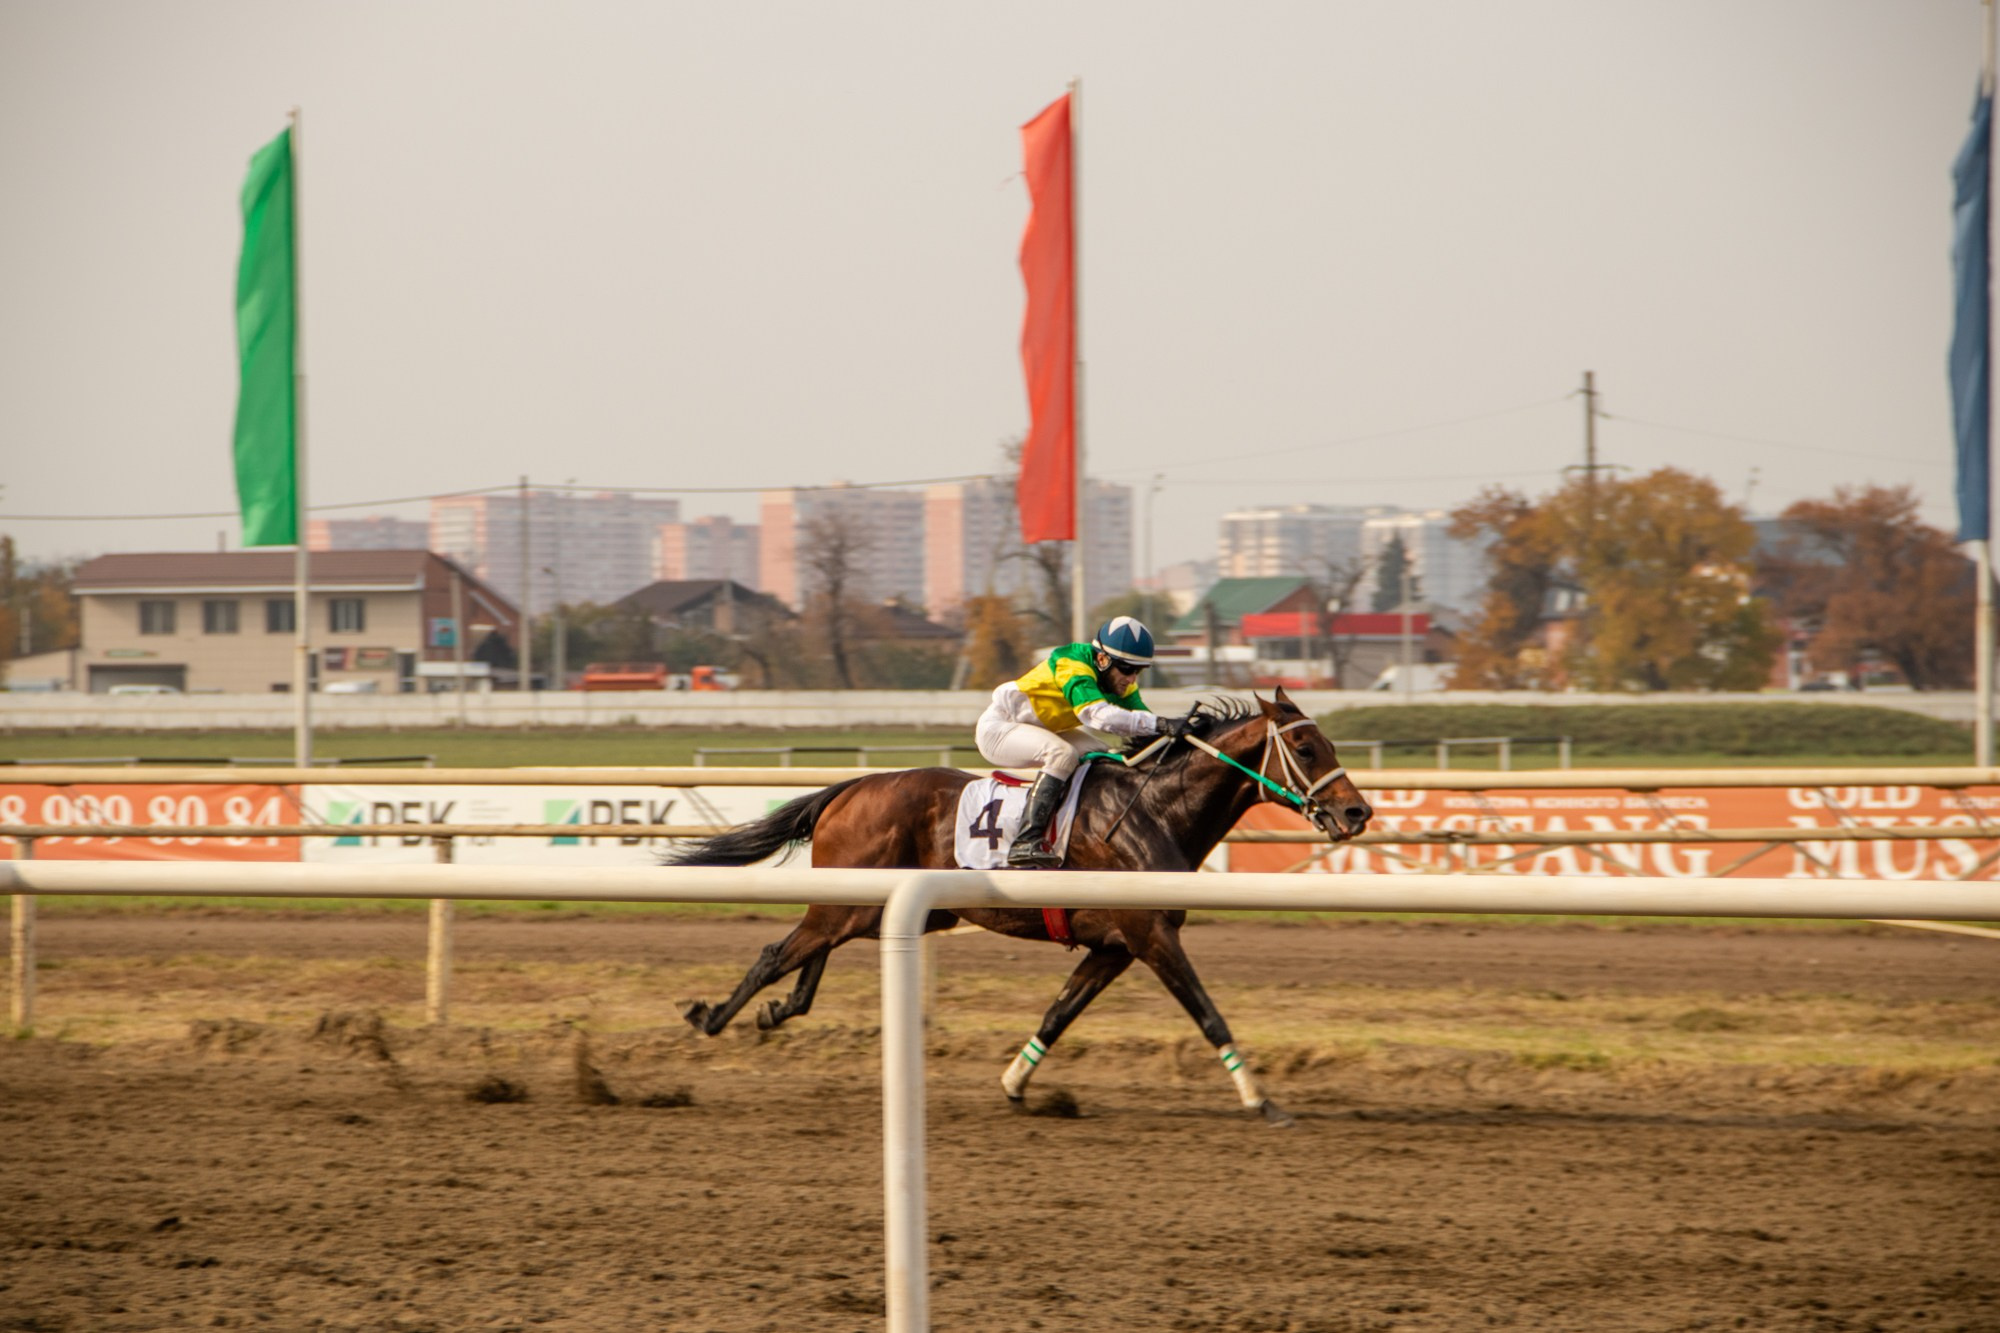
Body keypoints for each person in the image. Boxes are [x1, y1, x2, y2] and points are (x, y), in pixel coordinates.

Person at [975, 615, 1176, 868]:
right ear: (1102, 659)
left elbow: (1144, 726)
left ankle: (1081, 829)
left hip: (1043, 729)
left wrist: (1179, 731)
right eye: (1126, 669)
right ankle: (1025, 841)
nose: (1132, 679)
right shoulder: (1072, 663)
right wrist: (1160, 723)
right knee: (1062, 754)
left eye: (1138, 671)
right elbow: (1095, 716)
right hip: (1000, 729)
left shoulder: (1120, 683)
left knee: (1103, 754)